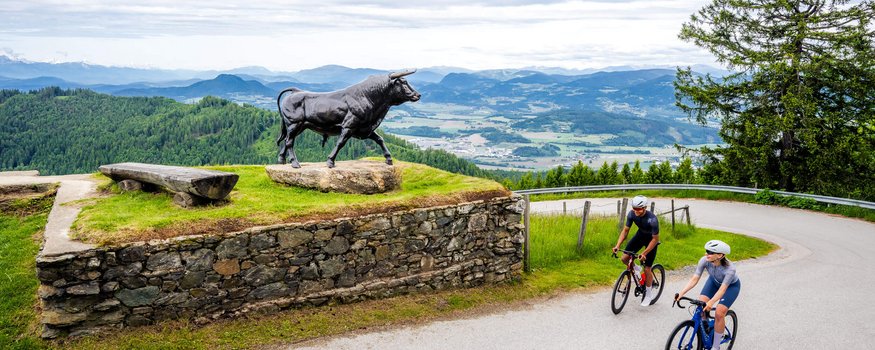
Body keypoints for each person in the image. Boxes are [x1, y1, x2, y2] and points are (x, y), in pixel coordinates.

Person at [675, 240, 740, 350]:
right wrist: (681, 292)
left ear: (720, 255)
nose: (706, 254)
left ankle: (716, 346)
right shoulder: (704, 260)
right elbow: (695, 278)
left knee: (719, 313)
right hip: (713, 281)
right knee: (701, 306)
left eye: (710, 252)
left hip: (730, 287)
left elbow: (722, 290)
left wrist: (712, 302)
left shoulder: (730, 269)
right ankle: (705, 329)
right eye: (706, 251)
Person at [611, 195, 659, 306]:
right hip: (640, 237)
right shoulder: (632, 214)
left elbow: (655, 239)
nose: (636, 211)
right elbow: (625, 231)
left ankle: (648, 294)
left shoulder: (652, 220)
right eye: (634, 208)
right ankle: (636, 269)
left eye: (638, 209)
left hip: (651, 241)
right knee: (624, 259)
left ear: (645, 207)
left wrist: (644, 253)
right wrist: (618, 245)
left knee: (647, 269)